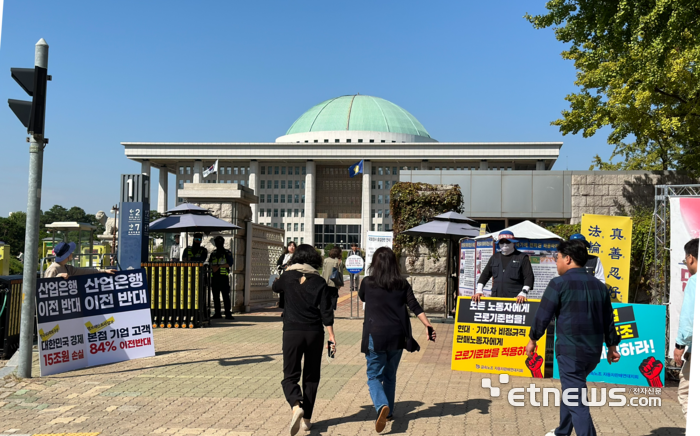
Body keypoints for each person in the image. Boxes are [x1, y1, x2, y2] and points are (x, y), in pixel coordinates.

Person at [526, 240, 621, 436]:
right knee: (573, 390)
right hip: (593, 353)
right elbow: (609, 320)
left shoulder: (558, 283)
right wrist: (612, 346)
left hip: (570, 353)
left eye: (558, 258)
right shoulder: (600, 286)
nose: (556, 262)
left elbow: (543, 316)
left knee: (577, 401)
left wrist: (533, 339)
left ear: (568, 259)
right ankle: (562, 431)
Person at [359, 246, 436, 433]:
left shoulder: (367, 283)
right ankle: (390, 411)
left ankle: (381, 406)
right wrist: (428, 325)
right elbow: (415, 306)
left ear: (374, 264)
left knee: (374, 376)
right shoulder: (402, 284)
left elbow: (362, 297)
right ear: (394, 263)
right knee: (390, 375)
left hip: (375, 335)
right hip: (397, 336)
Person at [272, 244, 335, 435]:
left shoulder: (288, 276)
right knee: (311, 376)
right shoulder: (319, 281)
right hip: (315, 333)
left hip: (292, 331)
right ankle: (307, 420)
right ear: (314, 259)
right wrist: (332, 336)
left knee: (290, 375)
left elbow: (275, 287)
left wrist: (284, 271)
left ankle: (295, 405)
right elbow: (326, 311)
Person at [474, 230, 534, 304]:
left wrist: (524, 292)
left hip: (515, 299)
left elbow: (529, 276)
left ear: (513, 243)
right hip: (496, 298)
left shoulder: (522, 257)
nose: (505, 244)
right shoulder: (495, 257)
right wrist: (479, 290)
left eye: (508, 242)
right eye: (502, 242)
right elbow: (485, 275)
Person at [674, 238, 697, 432]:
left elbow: (689, 318)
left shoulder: (695, 281)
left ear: (691, 258)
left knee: (685, 392)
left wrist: (680, 345)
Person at [45, 242, 116, 278]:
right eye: (70, 252)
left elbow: (84, 271)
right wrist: (58, 277)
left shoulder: (67, 267)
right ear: (67, 255)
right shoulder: (53, 269)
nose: (72, 253)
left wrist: (103, 271)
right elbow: (46, 286)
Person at [208, 236, 234, 320]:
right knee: (216, 297)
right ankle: (217, 313)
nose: (218, 244)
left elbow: (229, 264)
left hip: (223, 278)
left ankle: (228, 314)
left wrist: (218, 266)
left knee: (225, 296)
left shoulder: (227, 253)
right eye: (217, 242)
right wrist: (213, 267)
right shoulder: (213, 253)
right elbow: (210, 263)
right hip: (215, 277)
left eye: (220, 242)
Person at [276, 241, 297, 313]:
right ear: (287, 247)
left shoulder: (296, 257)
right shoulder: (283, 256)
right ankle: (284, 310)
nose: (292, 247)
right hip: (284, 277)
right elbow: (278, 265)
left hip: (292, 277)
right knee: (283, 293)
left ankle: (291, 310)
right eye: (290, 246)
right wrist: (283, 267)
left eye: (293, 246)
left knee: (291, 294)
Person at [321, 246, 344, 310]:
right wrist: (340, 283)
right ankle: (332, 310)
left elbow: (323, 271)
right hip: (334, 282)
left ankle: (326, 310)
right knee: (334, 297)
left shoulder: (326, 260)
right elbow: (340, 273)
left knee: (326, 297)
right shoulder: (339, 261)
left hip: (326, 282)